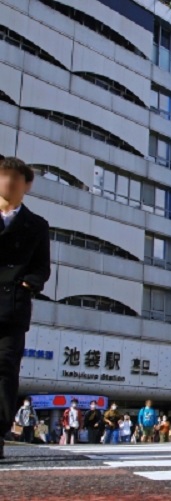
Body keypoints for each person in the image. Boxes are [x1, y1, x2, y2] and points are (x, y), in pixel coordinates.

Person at [0, 157, 51, 459]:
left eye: (16, 178)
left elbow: (41, 268)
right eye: (4, 175)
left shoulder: (36, 225)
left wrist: (28, 284)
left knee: (5, 370)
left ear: (27, 185)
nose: (8, 182)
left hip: (12, 308)